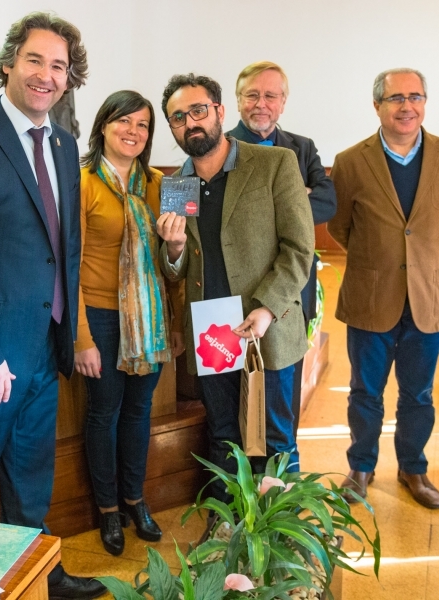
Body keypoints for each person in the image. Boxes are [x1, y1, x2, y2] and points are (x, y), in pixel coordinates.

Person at [0, 12, 105, 599]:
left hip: (48, 340)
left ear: (70, 78)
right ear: (8, 64)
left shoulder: (65, 144)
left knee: (31, 467)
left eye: (59, 66)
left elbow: (63, 247)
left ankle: (40, 575)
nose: (47, 75)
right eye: (35, 60)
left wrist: (70, 333)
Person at [156, 73, 314, 501]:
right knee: (224, 433)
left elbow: (299, 248)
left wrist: (267, 308)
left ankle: (278, 530)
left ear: (220, 112)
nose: (190, 122)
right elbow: (174, 271)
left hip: (267, 325)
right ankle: (226, 523)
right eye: (178, 117)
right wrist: (174, 249)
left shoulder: (275, 163)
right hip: (213, 334)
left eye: (198, 110)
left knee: (275, 437)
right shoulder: (177, 184)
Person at [327, 68, 439, 509]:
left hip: (430, 297)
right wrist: (382, 259)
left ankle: (413, 467)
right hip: (371, 296)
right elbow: (339, 226)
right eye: (395, 98)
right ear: (377, 106)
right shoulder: (350, 161)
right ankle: (361, 466)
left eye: (415, 97)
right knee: (364, 392)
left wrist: (420, 258)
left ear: (425, 102)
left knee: (419, 393)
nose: (406, 106)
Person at [75, 90, 184, 556]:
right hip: (100, 316)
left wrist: (175, 250)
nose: (133, 131)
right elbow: (70, 266)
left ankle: (135, 501)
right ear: (103, 125)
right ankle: (107, 510)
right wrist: (80, 337)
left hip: (151, 316)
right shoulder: (81, 183)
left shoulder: (163, 184)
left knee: (139, 411)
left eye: (142, 124)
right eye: (123, 121)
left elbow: (176, 263)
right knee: (104, 412)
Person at [226, 61, 337, 427]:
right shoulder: (220, 148)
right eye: (252, 95)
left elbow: (328, 202)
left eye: (271, 95)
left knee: (284, 403)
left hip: (292, 290)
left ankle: (280, 463)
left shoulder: (302, 149)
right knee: (233, 403)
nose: (261, 104)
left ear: (284, 102)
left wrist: (266, 210)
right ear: (238, 100)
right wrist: (290, 201)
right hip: (236, 291)